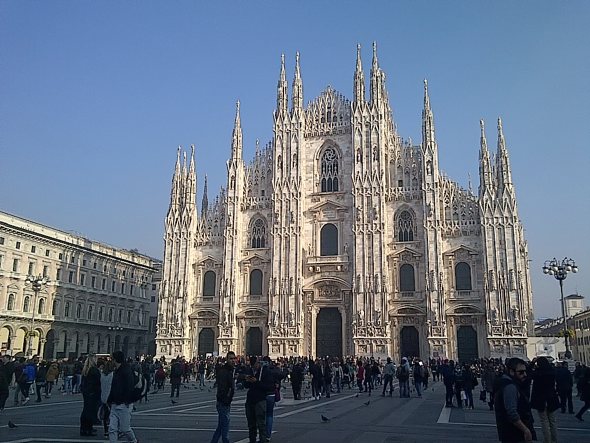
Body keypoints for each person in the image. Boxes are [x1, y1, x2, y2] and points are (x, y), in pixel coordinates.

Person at [494, 357, 536, 443]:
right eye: (521, 372)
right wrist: (525, 430)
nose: (525, 374)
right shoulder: (510, 387)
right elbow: (512, 412)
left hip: (510, 433)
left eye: (525, 371)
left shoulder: (508, 383)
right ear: (511, 372)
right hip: (515, 434)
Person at [107, 351, 138, 443]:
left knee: (125, 429)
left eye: (111, 359)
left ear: (115, 359)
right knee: (112, 428)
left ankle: (133, 441)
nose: (110, 361)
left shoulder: (126, 370)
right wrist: (110, 400)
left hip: (124, 404)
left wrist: (127, 401)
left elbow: (129, 387)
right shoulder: (116, 370)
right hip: (114, 404)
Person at [242, 355, 274, 443]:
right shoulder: (249, 371)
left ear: (258, 363)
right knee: (251, 424)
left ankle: (263, 440)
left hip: (260, 400)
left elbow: (269, 386)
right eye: (252, 365)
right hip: (250, 400)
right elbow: (245, 385)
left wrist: (257, 382)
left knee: (261, 424)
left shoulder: (265, 372)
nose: (254, 366)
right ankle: (252, 440)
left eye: (255, 364)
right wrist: (247, 380)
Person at [530, 356, 559, 443]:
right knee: (552, 421)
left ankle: (547, 440)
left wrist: (532, 363)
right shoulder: (552, 372)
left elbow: (528, 373)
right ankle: (554, 440)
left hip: (541, 398)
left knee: (544, 421)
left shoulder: (537, 373)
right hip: (551, 397)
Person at [210, 351, 236, 443]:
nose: (233, 360)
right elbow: (222, 387)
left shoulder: (230, 370)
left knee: (221, 426)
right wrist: (226, 399)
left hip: (225, 402)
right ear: (227, 359)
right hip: (223, 402)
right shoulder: (224, 371)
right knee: (225, 428)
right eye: (231, 359)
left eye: (234, 358)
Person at [80, 354, 101, 436]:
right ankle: (89, 429)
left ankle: (83, 428)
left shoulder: (85, 370)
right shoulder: (94, 370)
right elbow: (98, 381)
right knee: (91, 411)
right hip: (93, 392)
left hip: (86, 392)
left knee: (85, 410)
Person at [99, 359, 114, 438]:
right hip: (111, 398)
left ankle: (106, 431)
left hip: (103, 397)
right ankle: (112, 430)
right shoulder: (112, 375)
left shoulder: (102, 375)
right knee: (113, 415)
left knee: (105, 415)